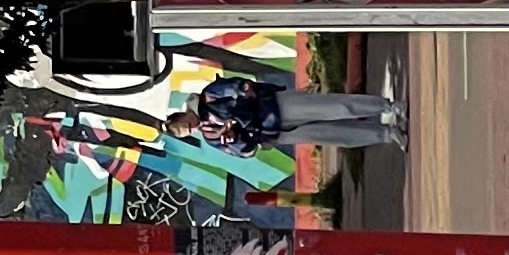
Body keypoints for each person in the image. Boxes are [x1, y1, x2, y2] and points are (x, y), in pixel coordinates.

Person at [173, 70, 406, 153]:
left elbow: (237, 86)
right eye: (185, 133)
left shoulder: (209, 96)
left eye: (183, 125)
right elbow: (244, 151)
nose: (189, 129)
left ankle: (387, 106)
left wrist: (243, 91)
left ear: (182, 114)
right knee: (334, 135)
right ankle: (386, 134)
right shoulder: (211, 137)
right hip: (274, 133)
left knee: (335, 106)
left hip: (273, 106)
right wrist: (237, 139)